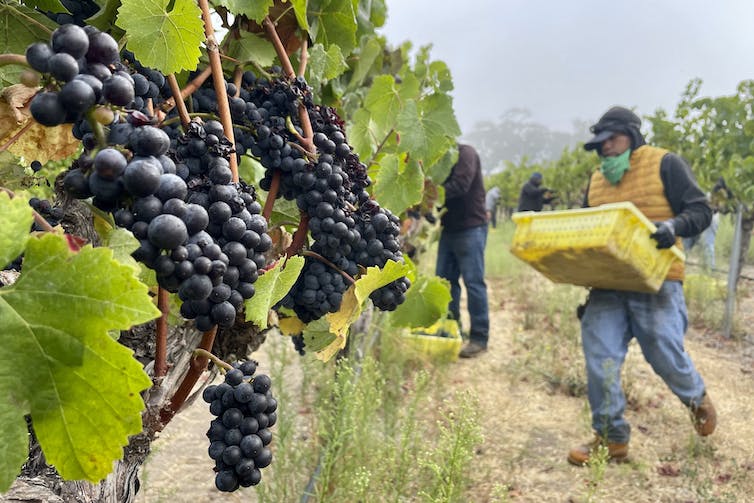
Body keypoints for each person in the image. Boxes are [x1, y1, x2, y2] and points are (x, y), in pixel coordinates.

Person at [568, 106, 716, 466]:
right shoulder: (596, 181)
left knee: (663, 350)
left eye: (611, 141)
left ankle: (696, 397)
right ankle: (611, 438)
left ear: (632, 136)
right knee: (599, 354)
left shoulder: (666, 163)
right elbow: (589, 232)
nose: (605, 150)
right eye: (600, 145)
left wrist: (673, 227)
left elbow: (701, 211)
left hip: (657, 278)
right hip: (609, 283)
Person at [437, 143, 490, 358]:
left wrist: (429, 193)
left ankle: (479, 338)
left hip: (471, 228)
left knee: (473, 282)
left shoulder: (465, 153)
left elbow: (461, 184)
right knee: (445, 282)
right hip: (449, 228)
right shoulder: (436, 160)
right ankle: (452, 330)